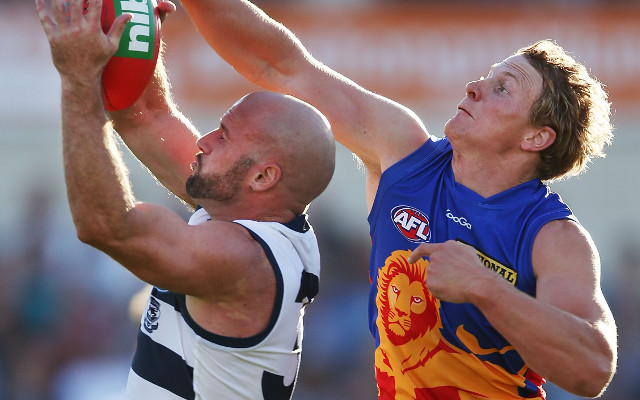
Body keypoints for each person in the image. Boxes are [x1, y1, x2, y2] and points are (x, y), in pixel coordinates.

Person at [166, 0, 618, 399]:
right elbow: (281, 65)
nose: (473, 87)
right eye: (485, 77)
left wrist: (484, 286)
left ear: (537, 137)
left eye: (503, 88)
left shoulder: (553, 236)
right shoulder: (404, 153)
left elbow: (593, 370)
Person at [36, 0, 336, 399]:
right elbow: (146, 114)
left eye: (224, 135)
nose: (205, 140)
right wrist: (139, 31)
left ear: (263, 177)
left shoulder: (241, 258)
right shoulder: (248, 210)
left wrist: (78, 81)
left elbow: (107, 226)